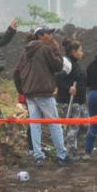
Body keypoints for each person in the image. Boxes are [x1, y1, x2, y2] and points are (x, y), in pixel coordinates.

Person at [13, 27, 69, 165]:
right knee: (54, 124)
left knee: (35, 125)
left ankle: (38, 156)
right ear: (41, 36)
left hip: (30, 94)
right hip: (44, 92)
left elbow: (16, 73)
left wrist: (22, 90)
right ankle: (61, 155)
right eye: (49, 33)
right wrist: (56, 49)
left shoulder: (25, 52)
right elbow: (58, 65)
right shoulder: (46, 49)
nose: (51, 36)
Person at [56, 39, 87, 155]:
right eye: (80, 51)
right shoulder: (66, 63)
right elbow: (57, 78)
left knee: (85, 125)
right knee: (73, 128)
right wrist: (68, 87)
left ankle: (70, 147)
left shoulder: (76, 64)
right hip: (67, 101)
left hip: (79, 102)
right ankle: (68, 152)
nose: (82, 53)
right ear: (74, 52)